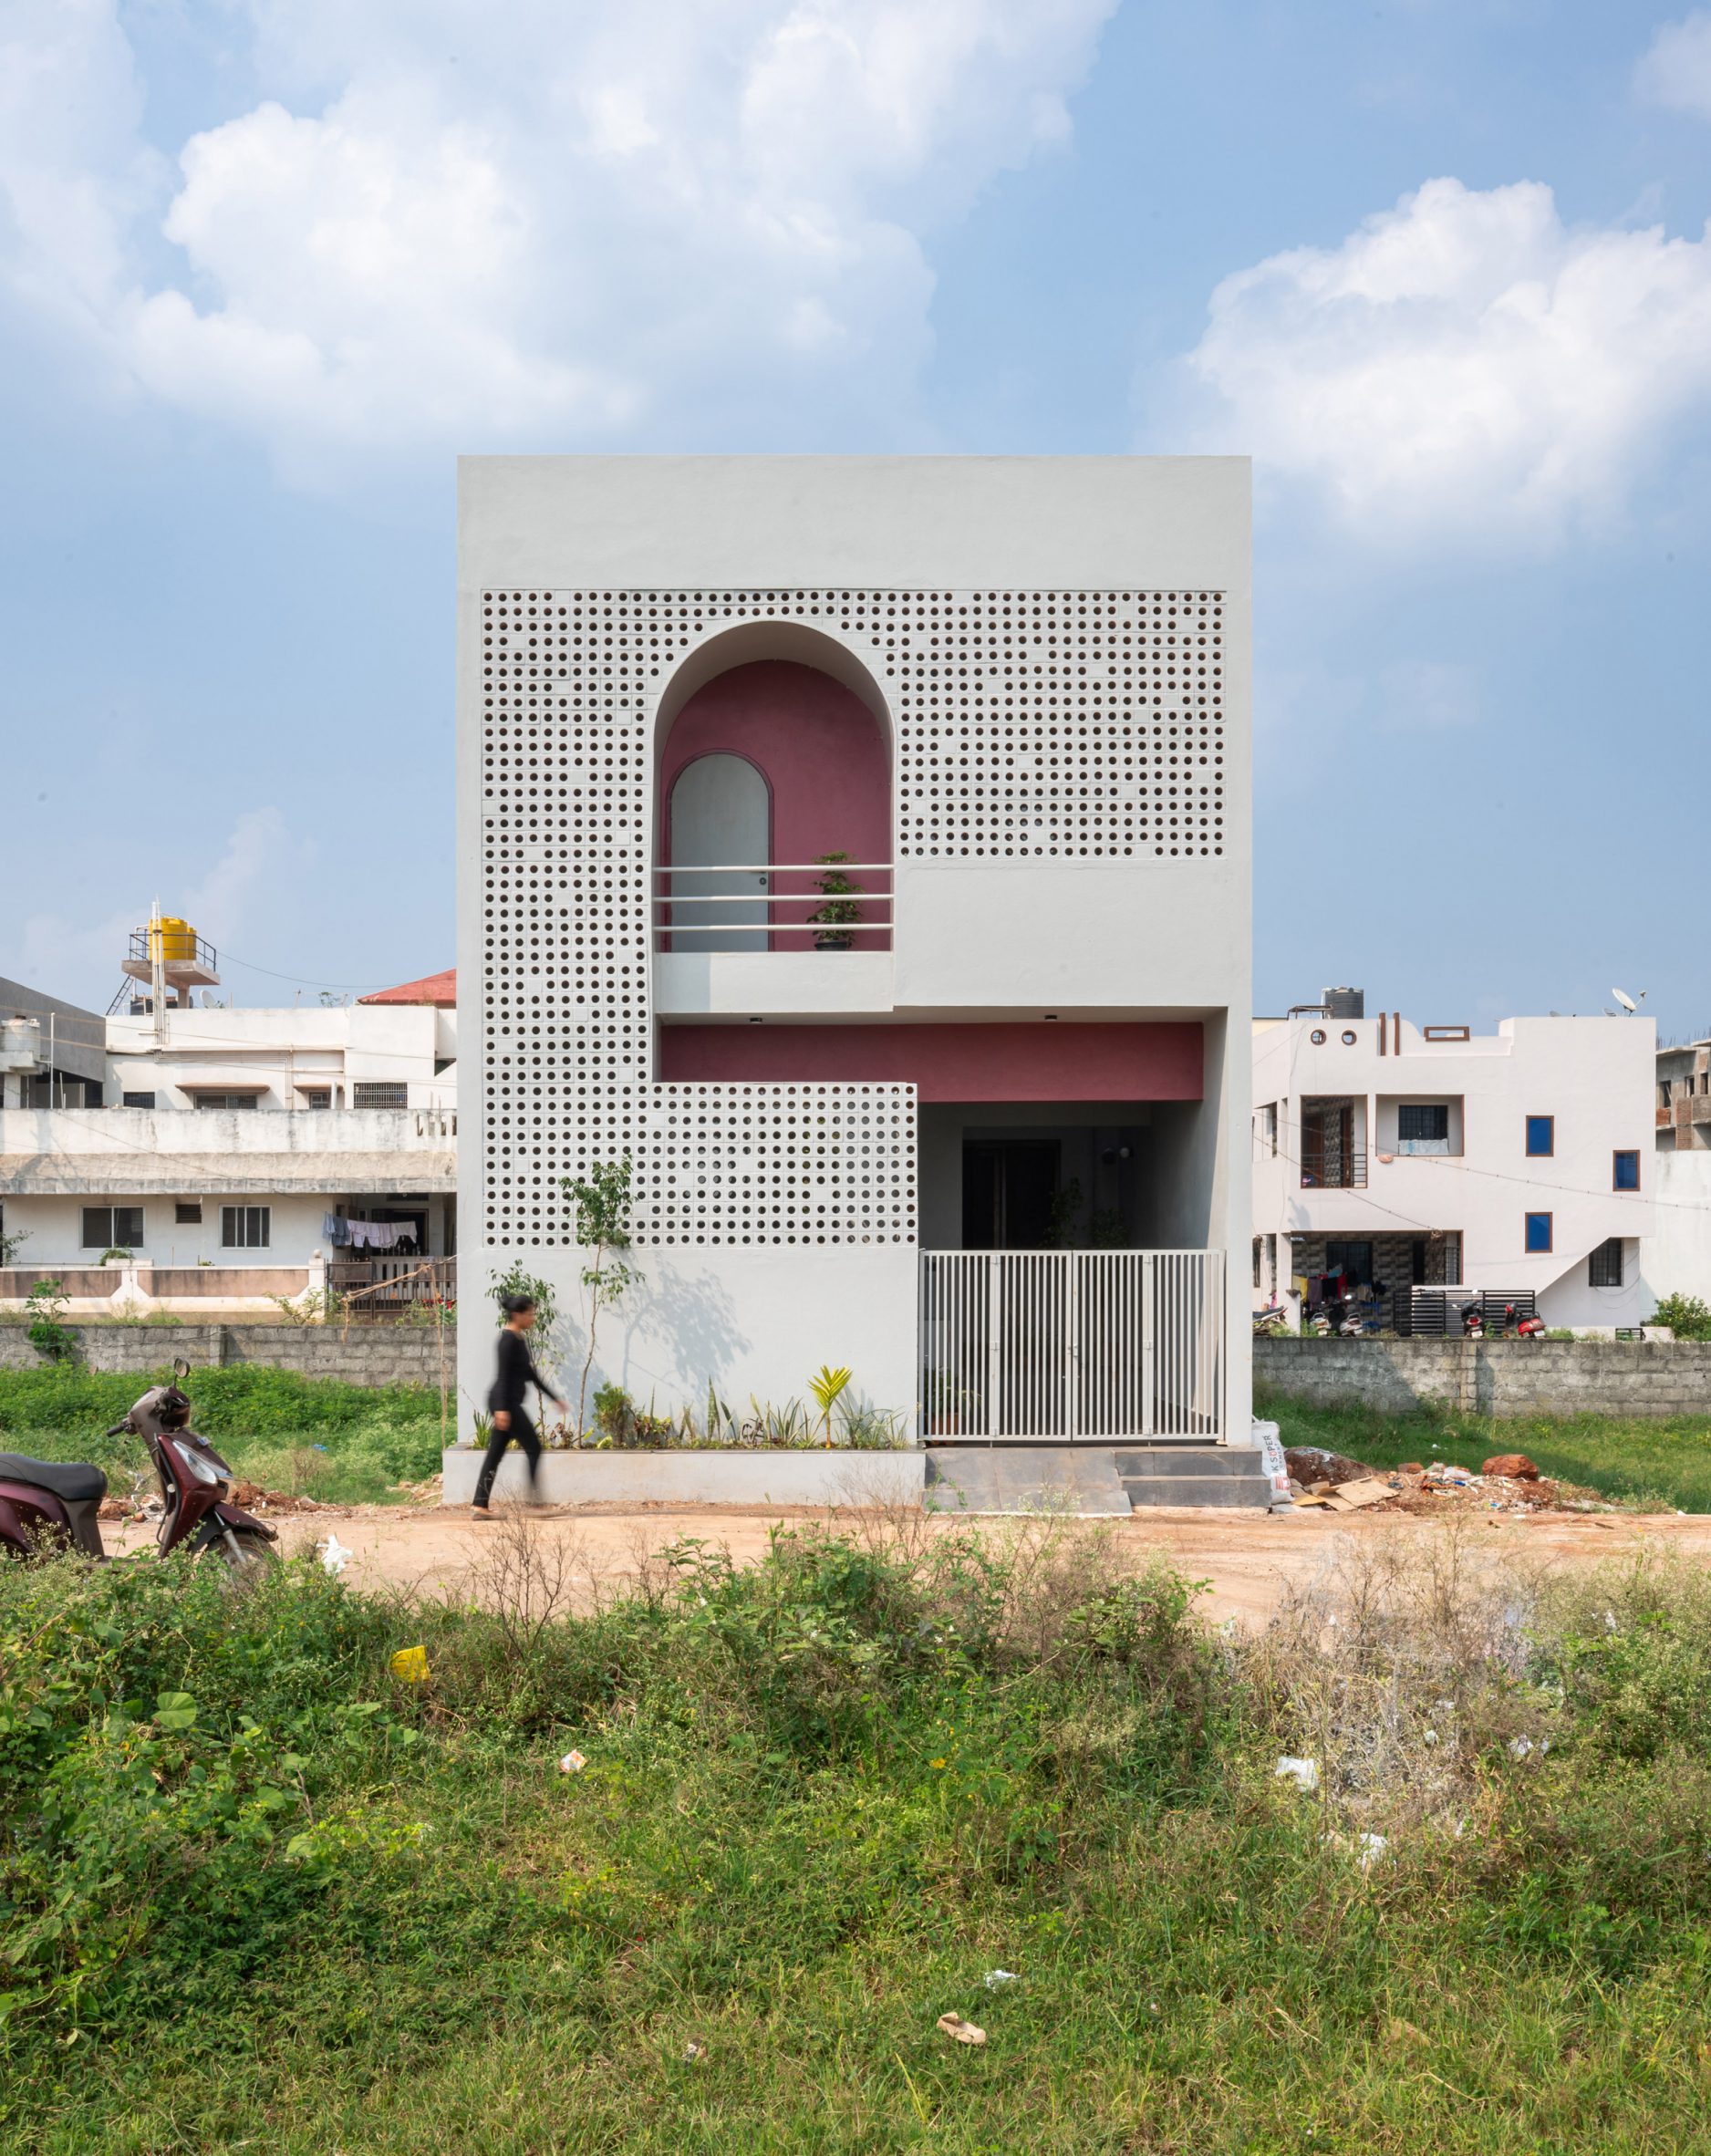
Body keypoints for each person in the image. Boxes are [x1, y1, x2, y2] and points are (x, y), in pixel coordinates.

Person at [472, 1293, 565, 1516]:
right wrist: (502, 1409)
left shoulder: (519, 1339)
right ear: (517, 1315)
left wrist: (554, 1398)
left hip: (506, 1402)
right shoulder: (507, 1340)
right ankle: (535, 1504)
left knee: (495, 1453)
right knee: (534, 1446)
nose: (533, 1318)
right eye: (530, 1314)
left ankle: (480, 1506)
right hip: (505, 1402)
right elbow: (503, 1375)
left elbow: (531, 1374)